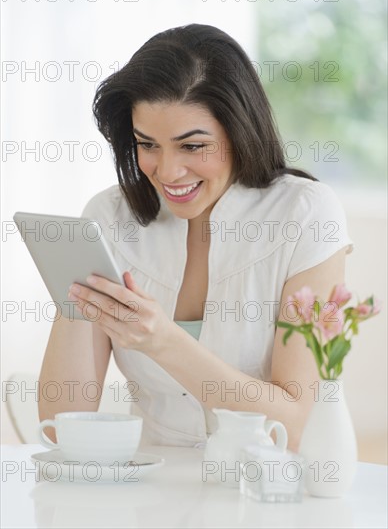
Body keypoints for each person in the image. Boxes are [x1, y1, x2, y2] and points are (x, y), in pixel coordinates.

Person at [38, 24, 354, 451]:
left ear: (239, 132)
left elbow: (297, 427)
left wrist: (164, 342)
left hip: (265, 497)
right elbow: (60, 429)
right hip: (150, 497)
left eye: (192, 146)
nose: (166, 172)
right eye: (147, 144)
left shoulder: (306, 215)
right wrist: (74, 289)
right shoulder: (109, 217)